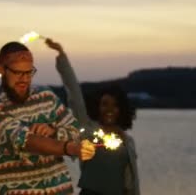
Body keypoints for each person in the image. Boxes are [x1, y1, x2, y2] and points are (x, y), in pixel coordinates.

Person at [0, 41, 96, 195]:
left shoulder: (46, 97)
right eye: (17, 72)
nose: (24, 79)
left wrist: (53, 131)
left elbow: (75, 131)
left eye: (29, 72)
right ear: (1, 69)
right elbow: (26, 142)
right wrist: (69, 148)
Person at [46, 38, 140, 195]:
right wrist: (62, 56)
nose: (109, 109)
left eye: (115, 105)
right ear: (97, 106)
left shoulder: (127, 141)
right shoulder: (89, 131)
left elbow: (132, 183)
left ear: (121, 109)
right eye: (105, 104)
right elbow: (74, 95)